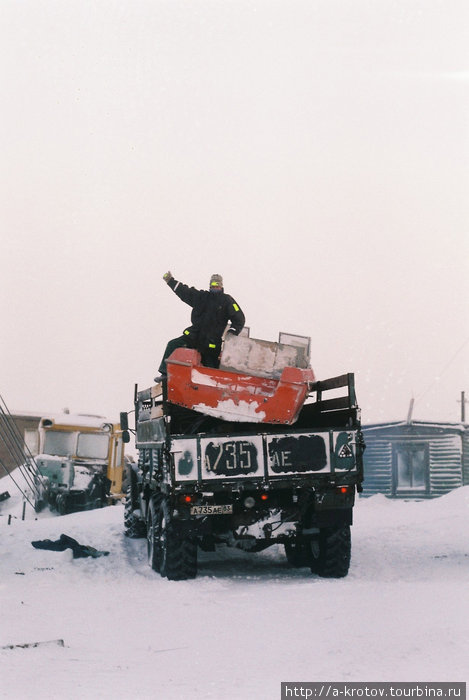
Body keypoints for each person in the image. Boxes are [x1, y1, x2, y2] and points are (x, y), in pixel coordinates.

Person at [156, 272, 245, 379]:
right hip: (194, 337)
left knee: (210, 370)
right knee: (173, 344)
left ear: (221, 286)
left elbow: (239, 318)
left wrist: (232, 332)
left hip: (211, 344)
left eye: (217, 285)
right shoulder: (202, 297)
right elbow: (185, 292)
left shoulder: (227, 301)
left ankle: (214, 388)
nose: (215, 287)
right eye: (212, 285)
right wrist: (170, 281)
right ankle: (165, 374)